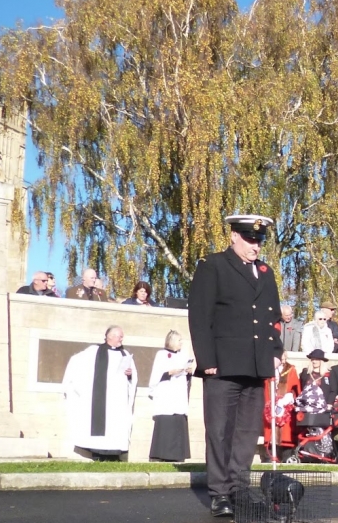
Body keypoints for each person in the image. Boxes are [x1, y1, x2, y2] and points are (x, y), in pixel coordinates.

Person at [188, 214, 283, 518]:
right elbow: (200, 316)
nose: (255, 245)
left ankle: (239, 487)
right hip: (223, 364)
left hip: (256, 364)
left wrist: (276, 353)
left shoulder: (266, 273)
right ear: (234, 237)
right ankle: (219, 493)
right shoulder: (213, 266)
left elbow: (273, 319)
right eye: (250, 239)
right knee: (219, 431)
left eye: (259, 240)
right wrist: (207, 360)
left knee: (246, 432)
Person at [61, 325, 137, 462]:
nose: (122, 339)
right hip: (99, 399)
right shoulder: (93, 352)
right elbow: (76, 363)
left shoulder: (125, 354)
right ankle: (98, 454)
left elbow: (133, 378)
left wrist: (130, 375)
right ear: (110, 336)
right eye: (119, 336)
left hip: (117, 400)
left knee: (115, 426)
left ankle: (114, 455)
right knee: (100, 427)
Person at [148, 330, 193, 462]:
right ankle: (160, 455)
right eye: (179, 340)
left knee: (178, 421)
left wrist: (188, 372)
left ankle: (177, 455)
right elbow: (156, 375)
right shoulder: (161, 355)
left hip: (178, 394)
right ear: (172, 341)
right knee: (165, 424)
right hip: (166, 393)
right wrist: (169, 372)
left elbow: (185, 376)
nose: (181, 343)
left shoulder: (183, 355)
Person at [263, 351, 301, 460]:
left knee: (285, 433)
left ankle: (286, 456)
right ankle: (269, 457)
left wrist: (286, 398)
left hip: (285, 408)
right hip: (270, 405)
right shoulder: (268, 370)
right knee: (270, 432)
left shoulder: (291, 370)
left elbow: (295, 389)